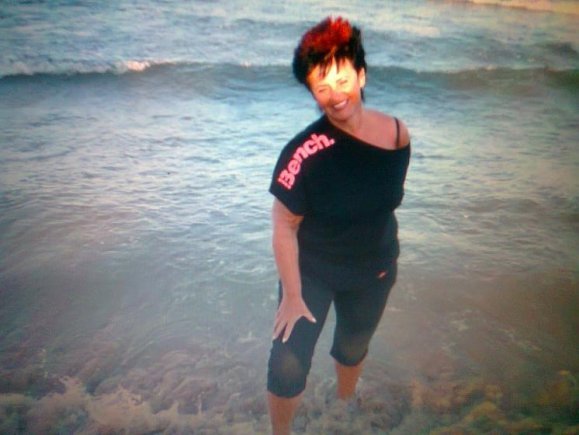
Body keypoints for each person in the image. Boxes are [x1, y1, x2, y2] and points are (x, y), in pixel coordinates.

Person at [266, 16, 411, 435]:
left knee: (352, 348)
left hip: (373, 271)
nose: (336, 95)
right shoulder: (302, 152)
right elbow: (283, 224)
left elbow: (381, 204)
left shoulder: (397, 135)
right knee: (287, 365)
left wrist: (380, 262)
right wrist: (292, 294)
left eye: (343, 80)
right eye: (322, 87)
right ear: (312, 94)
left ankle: (344, 407)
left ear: (361, 75)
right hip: (313, 271)